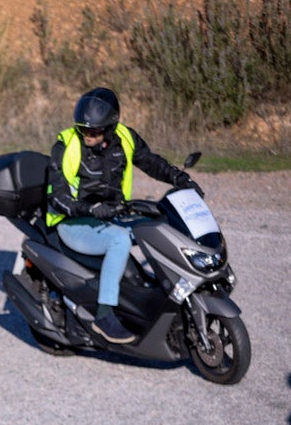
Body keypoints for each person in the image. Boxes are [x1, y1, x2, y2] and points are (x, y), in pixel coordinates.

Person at [46, 87, 201, 344]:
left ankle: (171, 295)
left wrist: (179, 178)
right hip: (72, 221)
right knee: (119, 240)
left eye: (94, 131)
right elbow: (58, 196)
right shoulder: (67, 145)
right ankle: (104, 316)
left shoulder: (125, 137)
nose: (87, 135)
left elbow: (150, 162)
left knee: (159, 226)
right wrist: (91, 209)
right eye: (83, 129)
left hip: (111, 216)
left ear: (110, 127)